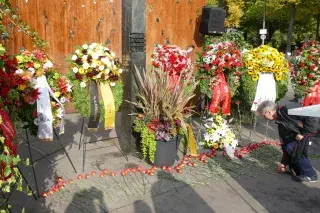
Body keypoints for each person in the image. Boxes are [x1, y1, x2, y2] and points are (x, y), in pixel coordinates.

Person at [256, 100, 318, 182]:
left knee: (294, 147)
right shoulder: (280, 120)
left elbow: (312, 116)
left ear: (269, 112)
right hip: (305, 133)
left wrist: (304, 133)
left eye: (264, 116)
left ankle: (311, 175)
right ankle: (299, 171)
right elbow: (285, 142)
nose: (264, 119)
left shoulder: (288, 109)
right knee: (289, 146)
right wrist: (284, 163)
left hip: (313, 132)